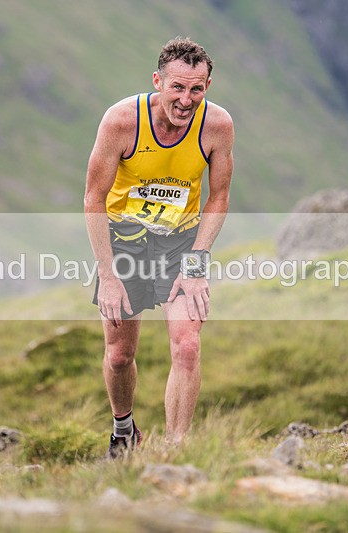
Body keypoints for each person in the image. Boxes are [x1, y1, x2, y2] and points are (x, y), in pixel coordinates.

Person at [84, 37, 234, 457]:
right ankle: (123, 430)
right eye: (177, 88)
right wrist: (108, 275)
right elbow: (94, 198)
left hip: (180, 243)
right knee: (119, 355)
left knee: (187, 346)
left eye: (197, 89)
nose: (186, 100)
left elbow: (219, 197)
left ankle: (175, 451)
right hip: (124, 240)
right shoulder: (121, 122)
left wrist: (196, 264)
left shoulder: (217, 125)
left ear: (207, 86)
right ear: (157, 82)